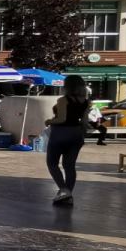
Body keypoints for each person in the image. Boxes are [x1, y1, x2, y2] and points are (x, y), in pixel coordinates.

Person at [44, 74, 90, 205]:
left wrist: (48, 121)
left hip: (60, 133)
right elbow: (85, 121)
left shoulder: (63, 100)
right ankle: (68, 196)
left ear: (67, 86)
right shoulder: (86, 101)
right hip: (76, 134)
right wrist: (83, 134)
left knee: (52, 163)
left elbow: (61, 119)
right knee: (69, 166)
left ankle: (64, 190)